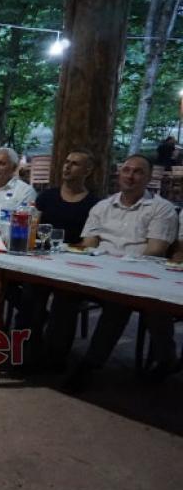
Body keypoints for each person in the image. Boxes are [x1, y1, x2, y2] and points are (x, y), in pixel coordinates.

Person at [63, 155, 179, 392]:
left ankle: (91, 364)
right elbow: (89, 243)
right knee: (62, 289)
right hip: (99, 271)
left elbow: (154, 251)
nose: (130, 176)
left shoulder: (161, 209)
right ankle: (53, 351)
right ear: (119, 174)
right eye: (126, 170)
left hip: (139, 273)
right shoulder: (102, 207)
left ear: (148, 178)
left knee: (122, 301)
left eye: (138, 172)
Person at [13, 149, 100, 370]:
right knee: (30, 296)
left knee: (66, 299)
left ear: (88, 171)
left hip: (74, 263)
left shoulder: (93, 204)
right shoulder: (47, 197)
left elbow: (89, 242)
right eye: (66, 162)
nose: (67, 166)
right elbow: (31, 226)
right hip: (42, 259)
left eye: (75, 164)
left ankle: (54, 358)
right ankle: (23, 353)